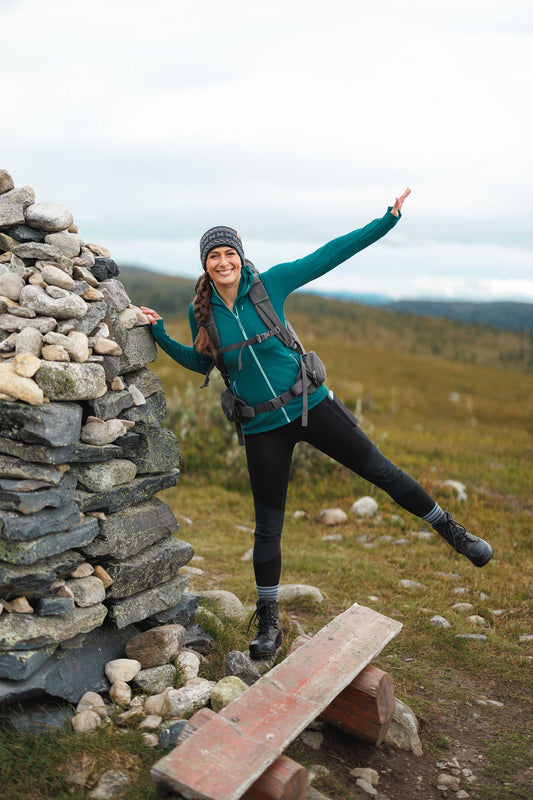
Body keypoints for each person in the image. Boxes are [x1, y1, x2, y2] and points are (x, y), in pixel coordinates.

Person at [141, 189, 494, 659]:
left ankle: (455, 534)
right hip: (261, 427)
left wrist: (386, 220)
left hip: (312, 407)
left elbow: (330, 253)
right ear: (205, 264)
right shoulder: (199, 311)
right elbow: (201, 364)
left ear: (240, 256)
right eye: (214, 256)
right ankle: (269, 624)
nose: (223, 262)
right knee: (267, 527)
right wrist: (160, 332)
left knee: (383, 473)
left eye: (229, 253)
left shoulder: (273, 283)